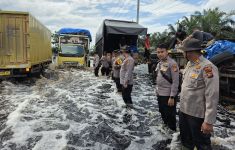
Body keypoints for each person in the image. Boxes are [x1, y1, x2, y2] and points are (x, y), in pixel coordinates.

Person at [179, 38, 219, 150]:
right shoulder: (190, 64)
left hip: (197, 115)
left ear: (189, 52)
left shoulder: (207, 67)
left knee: (202, 145)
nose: (182, 53)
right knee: (186, 141)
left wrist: (208, 121)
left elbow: (212, 95)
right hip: (184, 111)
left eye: (183, 51)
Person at [155, 43, 179, 131]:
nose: (160, 54)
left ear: (167, 52)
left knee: (170, 115)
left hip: (168, 95)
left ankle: (172, 133)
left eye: (162, 52)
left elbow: (176, 81)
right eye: (158, 52)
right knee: (162, 112)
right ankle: (165, 130)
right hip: (160, 93)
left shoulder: (172, 64)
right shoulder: (160, 63)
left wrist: (172, 96)